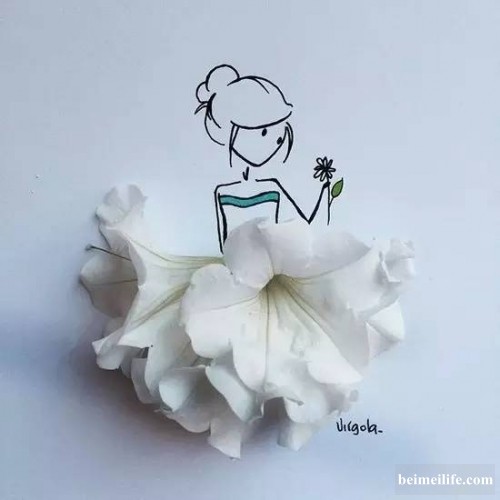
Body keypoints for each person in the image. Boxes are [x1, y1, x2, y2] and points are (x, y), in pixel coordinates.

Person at [195, 64, 331, 251]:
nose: (278, 140)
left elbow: (302, 231)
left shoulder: (271, 188)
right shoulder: (227, 192)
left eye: (279, 131)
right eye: (264, 131)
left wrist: (325, 194)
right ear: (230, 130)